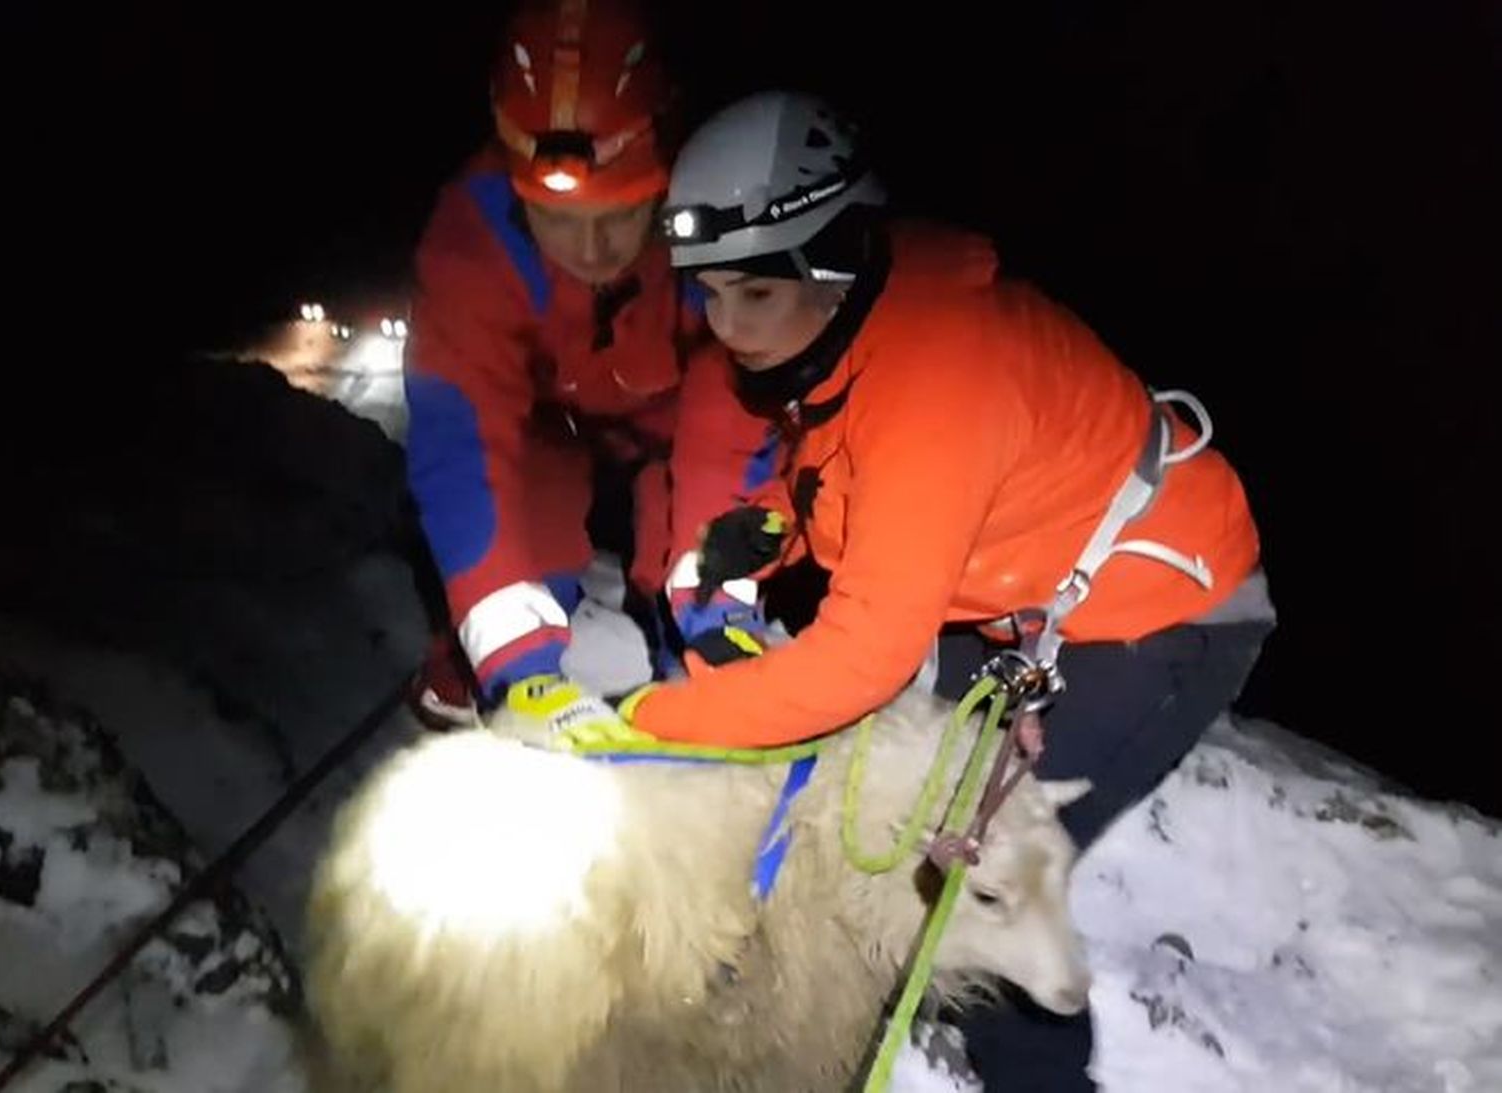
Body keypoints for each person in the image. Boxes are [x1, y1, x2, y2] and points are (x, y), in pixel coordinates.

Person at [508, 89, 1277, 1090]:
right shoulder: (848, 332)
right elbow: (853, 491)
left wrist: (654, 717)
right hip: (1018, 593)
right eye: (711, 291)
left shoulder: (937, 378)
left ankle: (1029, 1067)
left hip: (1161, 615)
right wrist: (769, 544)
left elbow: (861, 658)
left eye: (755, 293)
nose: (726, 326)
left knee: (978, 861)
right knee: (891, 810)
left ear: (830, 262)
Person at [402, 0, 772, 725]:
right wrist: (513, 658)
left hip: (676, 430)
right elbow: (463, 446)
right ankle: (474, 675)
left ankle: (694, 696)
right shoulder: (472, 238)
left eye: (623, 214)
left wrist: (717, 599)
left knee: (696, 576)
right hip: (554, 427)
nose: (593, 251)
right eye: (559, 221)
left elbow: (733, 419)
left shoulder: (718, 222)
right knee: (519, 541)